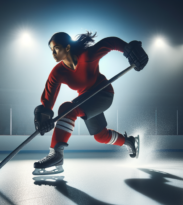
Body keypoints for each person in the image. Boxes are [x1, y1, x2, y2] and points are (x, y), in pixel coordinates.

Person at [33, 32, 148, 175]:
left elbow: (109, 42)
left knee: (67, 108)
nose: (53, 53)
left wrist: (129, 49)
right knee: (100, 136)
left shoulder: (87, 57)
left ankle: (56, 154)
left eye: (56, 48)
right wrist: (44, 115)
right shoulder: (57, 72)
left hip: (103, 94)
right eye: (51, 50)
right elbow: (48, 98)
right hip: (86, 99)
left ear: (67, 48)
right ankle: (129, 142)